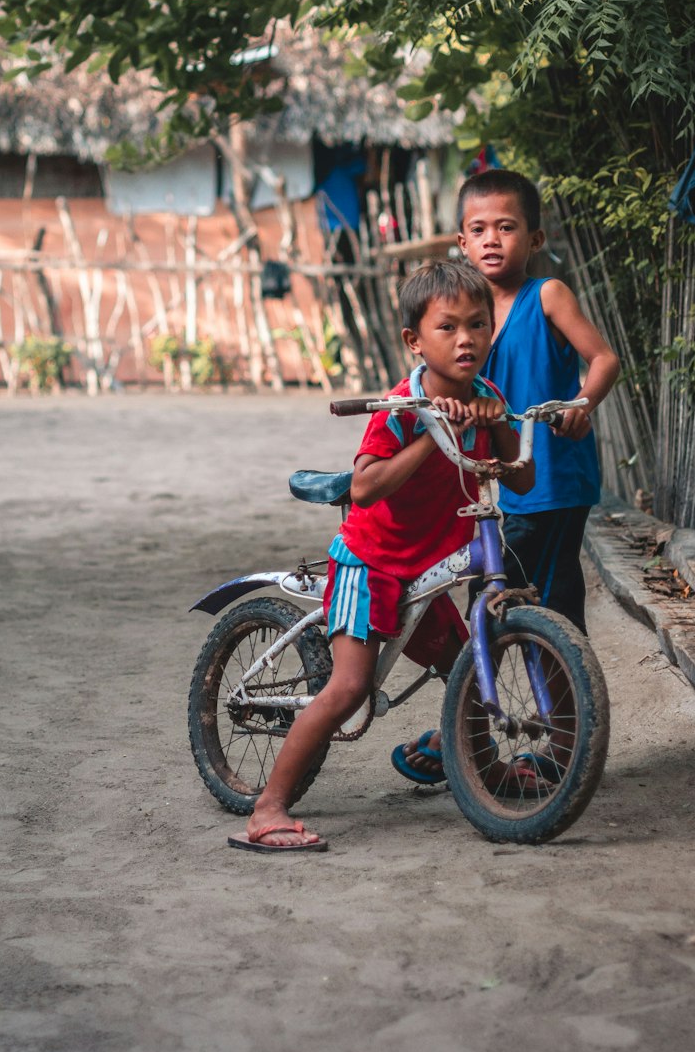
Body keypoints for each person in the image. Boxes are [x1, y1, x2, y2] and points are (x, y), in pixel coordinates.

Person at [228, 259, 535, 854]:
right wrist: (429, 431)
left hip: (427, 569)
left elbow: (520, 482)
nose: (466, 338)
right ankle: (267, 810)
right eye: (447, 327)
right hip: (372, 564)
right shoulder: (399, 407)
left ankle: (468, 762)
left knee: (465, 669)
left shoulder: (488, 397)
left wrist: (497, 429)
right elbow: (364, 487)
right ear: (414, 341)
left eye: (478, 324)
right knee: (349, 689)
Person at [395, 169, 621, 782]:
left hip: (547, 482)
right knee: (491, 608)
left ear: (535, 236)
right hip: (486, 488)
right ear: (459, 243)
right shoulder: (461, 313)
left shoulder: (546, 295)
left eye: (506, 226)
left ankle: (548, 745)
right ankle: (476, 738)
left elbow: (604, 358)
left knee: (544, 614)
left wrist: (581, 401)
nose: (492, 239)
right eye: (478, 229)